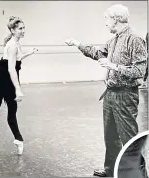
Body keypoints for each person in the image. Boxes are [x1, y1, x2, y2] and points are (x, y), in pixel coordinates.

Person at [65, 4, 147, 177]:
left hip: (126, 96)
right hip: (110, 94)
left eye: (106, 19)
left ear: (115, 19)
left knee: (129, 139)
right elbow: (98, 53)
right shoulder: (114, 40)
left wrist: (113, 66)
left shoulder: (135, 39)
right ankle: (111, 169)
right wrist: (78, 44)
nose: (106, 23)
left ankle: (139, 175)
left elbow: (140, 71)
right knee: (110, 137)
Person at [0, 16, 38, 155]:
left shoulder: (16, 43)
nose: (23, 31)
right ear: (13, 30)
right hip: (0, 79)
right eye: (20, 28)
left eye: (23, 28)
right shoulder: (12, 46)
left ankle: (18, 139)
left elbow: (17, 59)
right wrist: (18, 89)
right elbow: (11, 68)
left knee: (12, 110)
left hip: (8, 78)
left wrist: (30, 53)